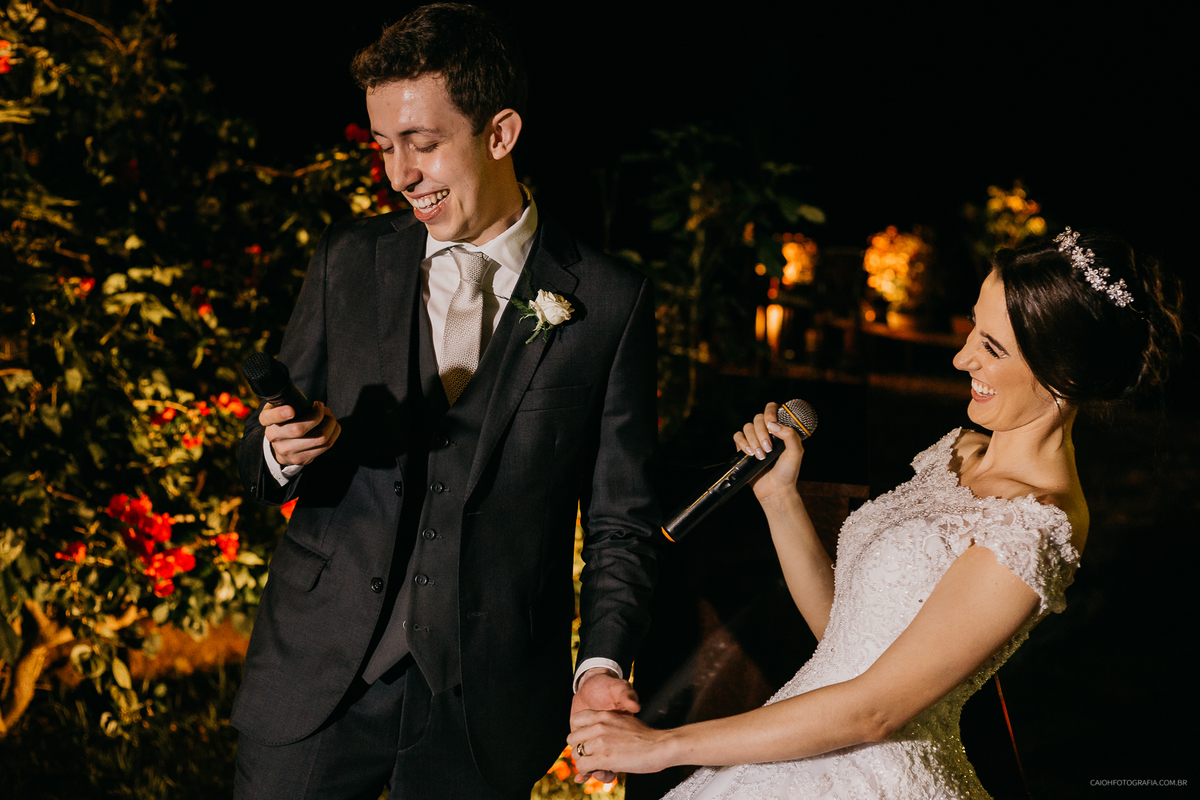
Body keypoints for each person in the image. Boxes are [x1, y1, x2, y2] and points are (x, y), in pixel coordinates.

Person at [567, 228, 1182, 798]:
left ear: (1062, 376)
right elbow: (848, 634)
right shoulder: (956, 451)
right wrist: (779, 496)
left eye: (992, 347)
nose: (960, 357)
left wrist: (663, 745)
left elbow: (874, 710)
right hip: (797, 741)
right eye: (973, 327)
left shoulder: (1035, 525)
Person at [231, 5, 659, 798]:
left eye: (423, 145)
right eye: (385, 147)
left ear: (499, 134)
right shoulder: (346, 262)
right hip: (316, 682)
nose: (400, 175)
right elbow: (255, 459)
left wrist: (599, 661)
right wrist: (275, 452)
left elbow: (620, 519)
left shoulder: (609, 301)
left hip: (482, 708)